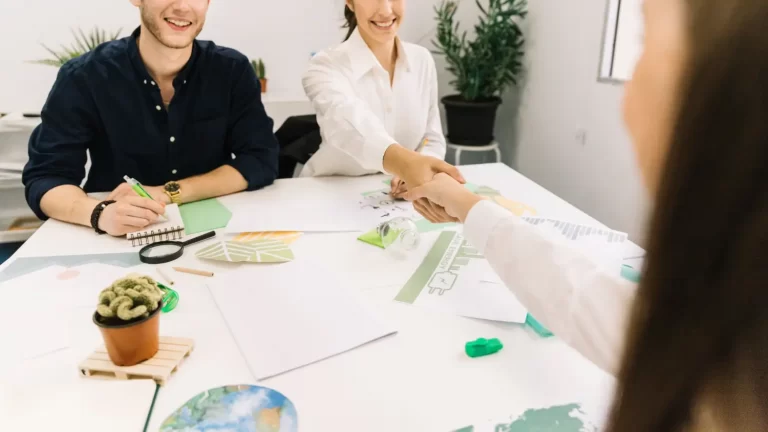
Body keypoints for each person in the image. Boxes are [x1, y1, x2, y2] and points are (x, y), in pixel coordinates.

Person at [405, 0, 768, 430]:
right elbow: (581, 294)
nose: (627, 102)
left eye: (643, 43)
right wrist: (467, 207)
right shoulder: (709, 330)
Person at [22, 0, 279, 237]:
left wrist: (167, 193)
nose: (182, 6)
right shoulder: (84, 76)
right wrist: (99, 213)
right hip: (115, 235)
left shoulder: (231, 70)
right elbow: (47, 176)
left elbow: (259, 158)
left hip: (216, 230)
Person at [301, 0, 460, 206]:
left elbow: (431, 138)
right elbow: (346, 125)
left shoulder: (421, 60)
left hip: (402, 203)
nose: (385, 10)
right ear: (350, 2)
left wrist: (418, 167)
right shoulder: (324, 66)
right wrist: (405, 165)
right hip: (329, 198)